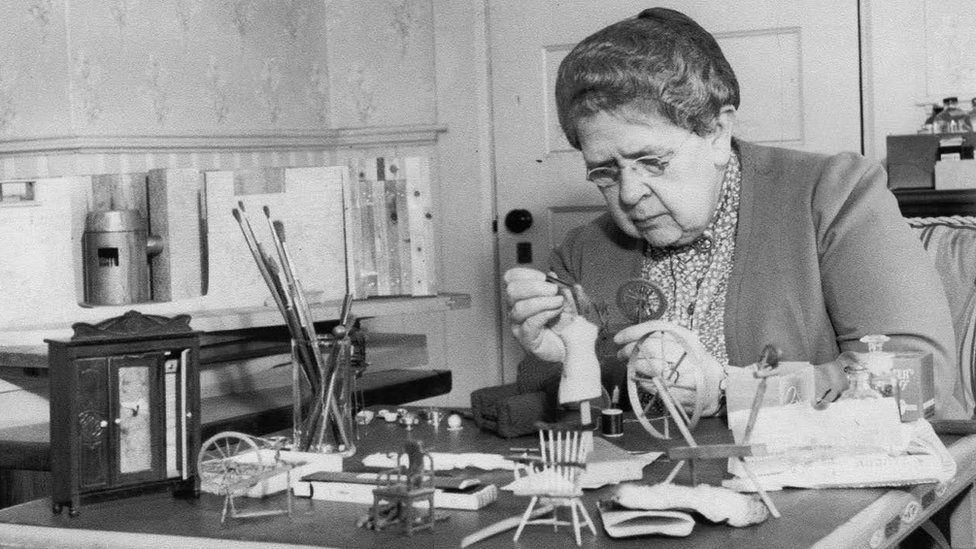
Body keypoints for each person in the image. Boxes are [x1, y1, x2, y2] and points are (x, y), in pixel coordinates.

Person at [504, 7, 968, 420]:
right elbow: (544, 407)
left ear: (718, 133)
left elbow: (915, 374)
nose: (628, 193)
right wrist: (564, 358)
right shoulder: (583, 252)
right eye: (604, 171)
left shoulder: (833, 194)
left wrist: (731, 388)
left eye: (652, 162)